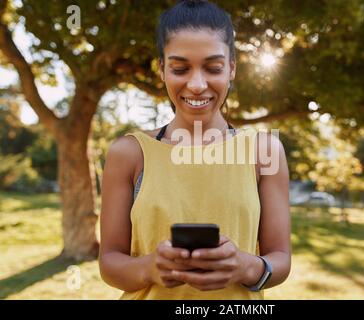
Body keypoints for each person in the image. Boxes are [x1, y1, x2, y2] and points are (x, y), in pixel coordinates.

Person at [99, 0, 291, 300]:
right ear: (162, 69)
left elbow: (280, 259)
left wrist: (245, 267)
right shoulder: (129, 153)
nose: (197, 84)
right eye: (180, 68)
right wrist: (149, 268)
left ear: (231, 69)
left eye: (213, 68)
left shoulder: (264, 151)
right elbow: (110, 262)